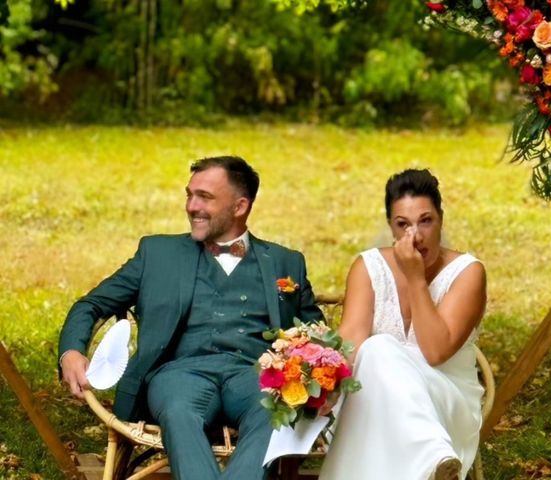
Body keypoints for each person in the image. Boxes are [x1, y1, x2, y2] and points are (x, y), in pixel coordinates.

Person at [58, 156, 324, 480]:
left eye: (205, 197)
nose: (192, 206)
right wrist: (71, 351)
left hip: (255, 374)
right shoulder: (157, 254)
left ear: (240, 206)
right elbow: (91, 304)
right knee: (180, 411)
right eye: (189, 194)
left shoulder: (286, 262)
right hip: (179, 374)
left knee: (273, 411)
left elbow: (315, 333)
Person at [319, 168, 487, 480]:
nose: (417, 236)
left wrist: (415, 278)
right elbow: (351, 342)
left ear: (441, 218)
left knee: (380, 347)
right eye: (403, 224)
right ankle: (432, 462)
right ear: (391, 228)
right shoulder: (368, 266)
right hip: (375, 402)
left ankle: (433, 452)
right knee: (375, 352)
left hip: (445, 399)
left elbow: (436, 352)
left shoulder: (468, 272)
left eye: (426, 220)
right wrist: (319, 379)